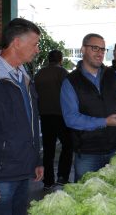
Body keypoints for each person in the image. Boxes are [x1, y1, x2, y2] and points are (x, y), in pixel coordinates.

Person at [0, 18, 44, 215]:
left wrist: (36, 160)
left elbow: (31, 123)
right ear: (17, 42)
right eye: (34, 44)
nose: (37, 50)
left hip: (23, 172)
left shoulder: (24, 76)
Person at [60, 33, 116, 182]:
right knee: (86, 197)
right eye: (95, 48)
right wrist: (105, 122)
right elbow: (71, 119)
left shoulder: (112, 74)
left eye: (103, 49)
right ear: (83, 49)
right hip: (87, 153)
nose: (100, 53)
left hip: (115, 149)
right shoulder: (70, 82)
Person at [34, 50, 73, 190]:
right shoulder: (63, 73)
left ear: (48, 59)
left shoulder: (38, 75)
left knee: (48, 149)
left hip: (45, 116)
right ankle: (62, 176)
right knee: (68, 146)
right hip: (61, 116)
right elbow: (70, 94)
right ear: (60, 59)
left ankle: (48, 181)